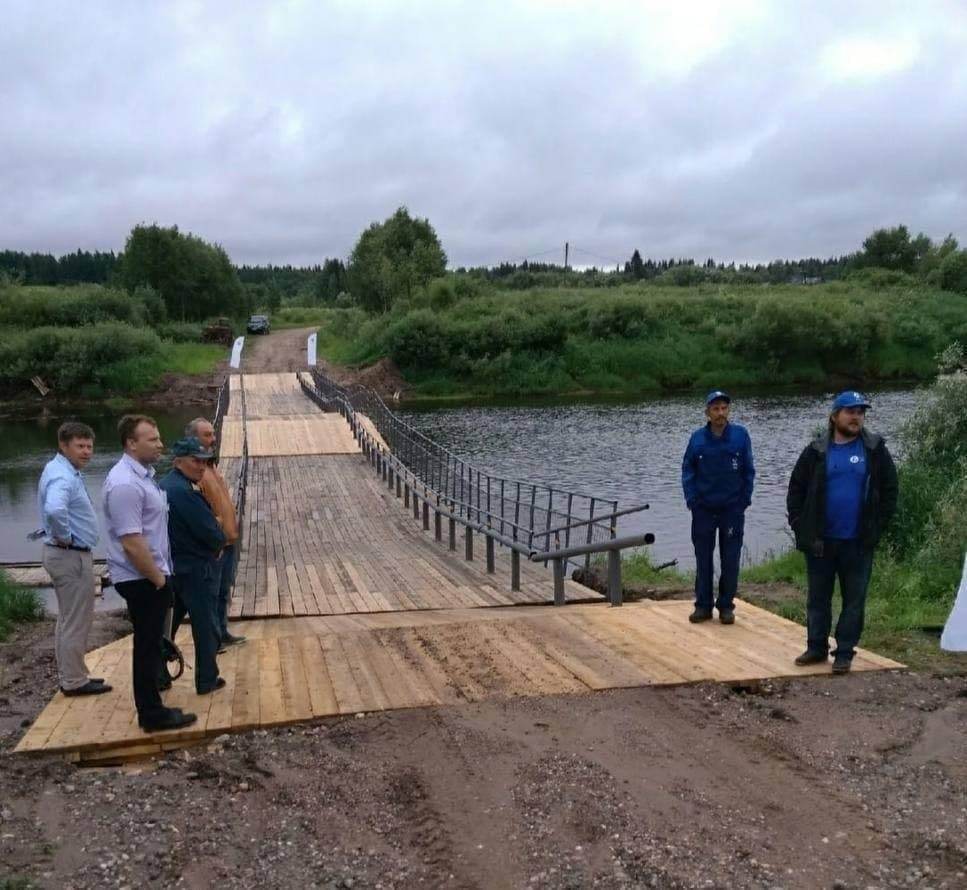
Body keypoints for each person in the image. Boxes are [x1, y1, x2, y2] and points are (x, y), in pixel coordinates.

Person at [787, 391, 898, 674]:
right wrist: (801, 527)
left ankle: (845, 651)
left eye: (861, 412)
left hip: (858, 542)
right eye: (850, 411)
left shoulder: (874, 449)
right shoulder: (816, 451)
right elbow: (796, 490)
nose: (856, 417)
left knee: (854, 600)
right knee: (818, 598)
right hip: (821, 541)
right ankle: (816, 647)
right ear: (835, 416)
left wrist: (877, 526)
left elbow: (889, 491)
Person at [103, 415, 196, 732]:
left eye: (158, 438)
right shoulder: (126, 484)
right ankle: (151, 714)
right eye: (152, 439)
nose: (160, 444)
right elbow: (131, 541)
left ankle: (153, 707)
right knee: (146, 646)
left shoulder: (142, 477)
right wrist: (158, 579)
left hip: (150, 574)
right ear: (131, 443)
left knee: (151, 644)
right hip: (142, 578)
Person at [37, 421, 111, 697]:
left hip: (64, 555)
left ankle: (70, 676)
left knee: (68, 619)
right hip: (69, 555)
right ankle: (75, 681)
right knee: (77, 620)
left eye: (89, 446)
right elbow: (55, 510)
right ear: (63, 445)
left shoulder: (59, 469)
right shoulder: (63, 477)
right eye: (79, 446)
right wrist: (64, 536)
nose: (87, 452)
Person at [681, 390, 755, 624]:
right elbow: (688, 470)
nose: (720, 413)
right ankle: (703, 605)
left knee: (730, 559)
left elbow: (748, 471)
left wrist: (744, 501)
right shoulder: (697, 439)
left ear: (728, 410)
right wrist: (692, 500)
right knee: (703, 558)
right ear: (707, 412)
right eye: (716, 409)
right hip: (703, 509)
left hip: (732, 509)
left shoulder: (741, 436)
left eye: (724, 408)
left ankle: (726, 606)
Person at [160, 437, 227, 695]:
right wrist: (219, 533)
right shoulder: (185, 492)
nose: (201, 466)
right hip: (196, 569)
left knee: (167, 626)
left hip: (173, 566)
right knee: (206, 625)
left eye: (205, 461)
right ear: (178, 461)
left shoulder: (164, 485)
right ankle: (207, 679)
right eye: (195, 461)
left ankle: (159, 675)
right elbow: (211, 532)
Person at [185, 417, 246, 649]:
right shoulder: (195, 471)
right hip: (214, 545)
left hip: (227, 540)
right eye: (207, 435)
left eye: (213, 434)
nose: (213, 439)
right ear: (193, 438)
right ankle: (212, 640)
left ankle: (221, 631)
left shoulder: (210, 465)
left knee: (222, 592)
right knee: (210, 595)